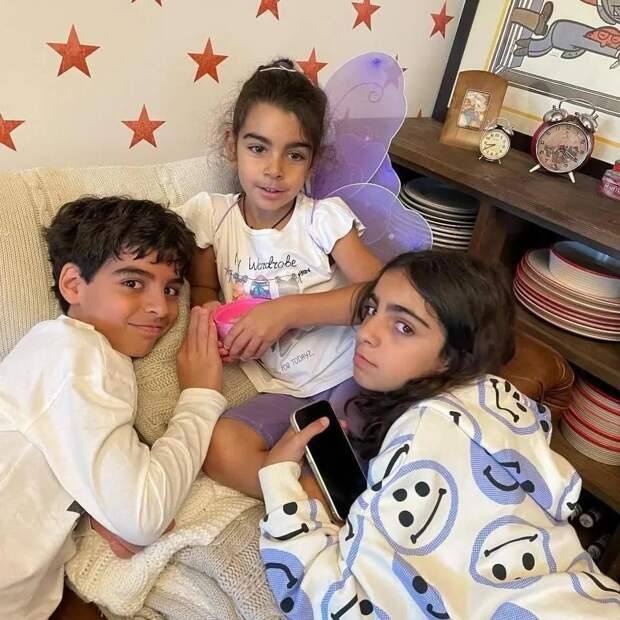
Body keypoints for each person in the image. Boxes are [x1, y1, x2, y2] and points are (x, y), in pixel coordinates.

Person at [258, 251, 620, 619]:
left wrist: (278, 481)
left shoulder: (425, 434)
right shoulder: (502, 405)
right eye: (370, 310)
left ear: (453, 356)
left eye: (404, 327)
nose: (365, 332)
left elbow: (337, 605)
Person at [0, 196, 224, 620]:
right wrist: (200, 397)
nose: (161, 308)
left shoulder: (66, 357)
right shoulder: (76, 352)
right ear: (73, 285)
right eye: (133, 283)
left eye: (171, 289)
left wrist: (98, 508)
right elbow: (143, 516)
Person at [176, 58, 382, 498]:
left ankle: (335, 489)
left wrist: (286, 311)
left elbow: (381, 296)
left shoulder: (322, 219)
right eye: (258, 148)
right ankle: (310, 493)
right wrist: (213, 316)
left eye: (294, 154)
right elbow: (205, 287)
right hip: (284, 391)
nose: (275, 169)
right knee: (220, 446)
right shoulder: (212, 216)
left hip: (351, 373)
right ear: (231, 144)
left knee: (369, 445)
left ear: (313, 162)